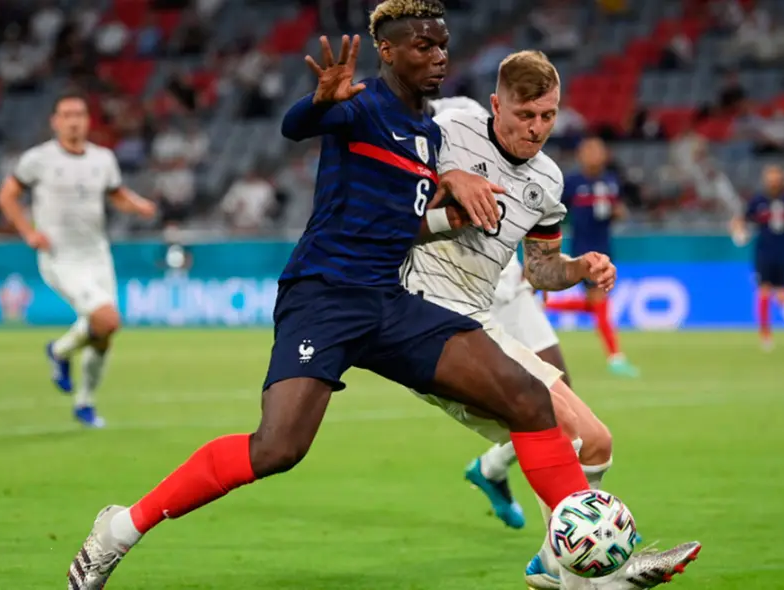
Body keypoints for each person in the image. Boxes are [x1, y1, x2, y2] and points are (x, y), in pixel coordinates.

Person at [64, 3, 605, 588]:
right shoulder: (360, 105)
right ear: (389, 52)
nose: (440, 56)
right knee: (278, 448)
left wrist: (452, 188)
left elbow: (406, 221)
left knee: (528, 396)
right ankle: (120, 528)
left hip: (389, 300)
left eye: (444, 45)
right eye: (424, 46)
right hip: (324, 294)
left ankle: (582, 566)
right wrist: (323, 102)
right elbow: (295, 126)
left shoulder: (429, 132)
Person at [415, 53, 700, 590]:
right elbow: (389, 196)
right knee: (561, 430)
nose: (538, 127)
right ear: (496, 105)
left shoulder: (547, 179)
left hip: (484, 320)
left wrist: (579, 267)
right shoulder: (449, 130)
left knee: (596, 441)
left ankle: (554, 566)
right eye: (526, 114)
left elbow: (540, 268)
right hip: (423, 319)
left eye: (548, 115)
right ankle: (589, 577)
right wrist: (448, 178)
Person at [0, 91, 157, 428]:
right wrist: (28, 232)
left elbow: (116, 195)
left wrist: (139, 205)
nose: (73, 120)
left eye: (80, 114)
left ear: (87, 120)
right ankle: (61, 352)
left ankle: (83, 399)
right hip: (61, 257)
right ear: (55, 121)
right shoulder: (37, 159)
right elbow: (7, 195)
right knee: (108, 319)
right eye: (66, 114)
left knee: (104, 333)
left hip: (97, 254)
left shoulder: (103, 159)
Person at [544, 137, 640, 377]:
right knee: (600, 301)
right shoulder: (573, 183)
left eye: (598, 150)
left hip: (606, 248)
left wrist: (618, 212)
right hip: (584, 250)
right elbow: (554, 210)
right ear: (580, 155)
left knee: (597, 304)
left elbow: (617, 212)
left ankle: (544, 305)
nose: (594, 155)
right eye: (589, 150)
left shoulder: (611, 181)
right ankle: (615, 357)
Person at [730, 165, 784, 350]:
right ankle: (765, 334)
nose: (774, 181)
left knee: (783, 297)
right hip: (764, 251)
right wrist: (738, 231)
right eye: (770, 178)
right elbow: (739, 220)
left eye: (776, 177)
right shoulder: (758, 200)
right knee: (764, 290)